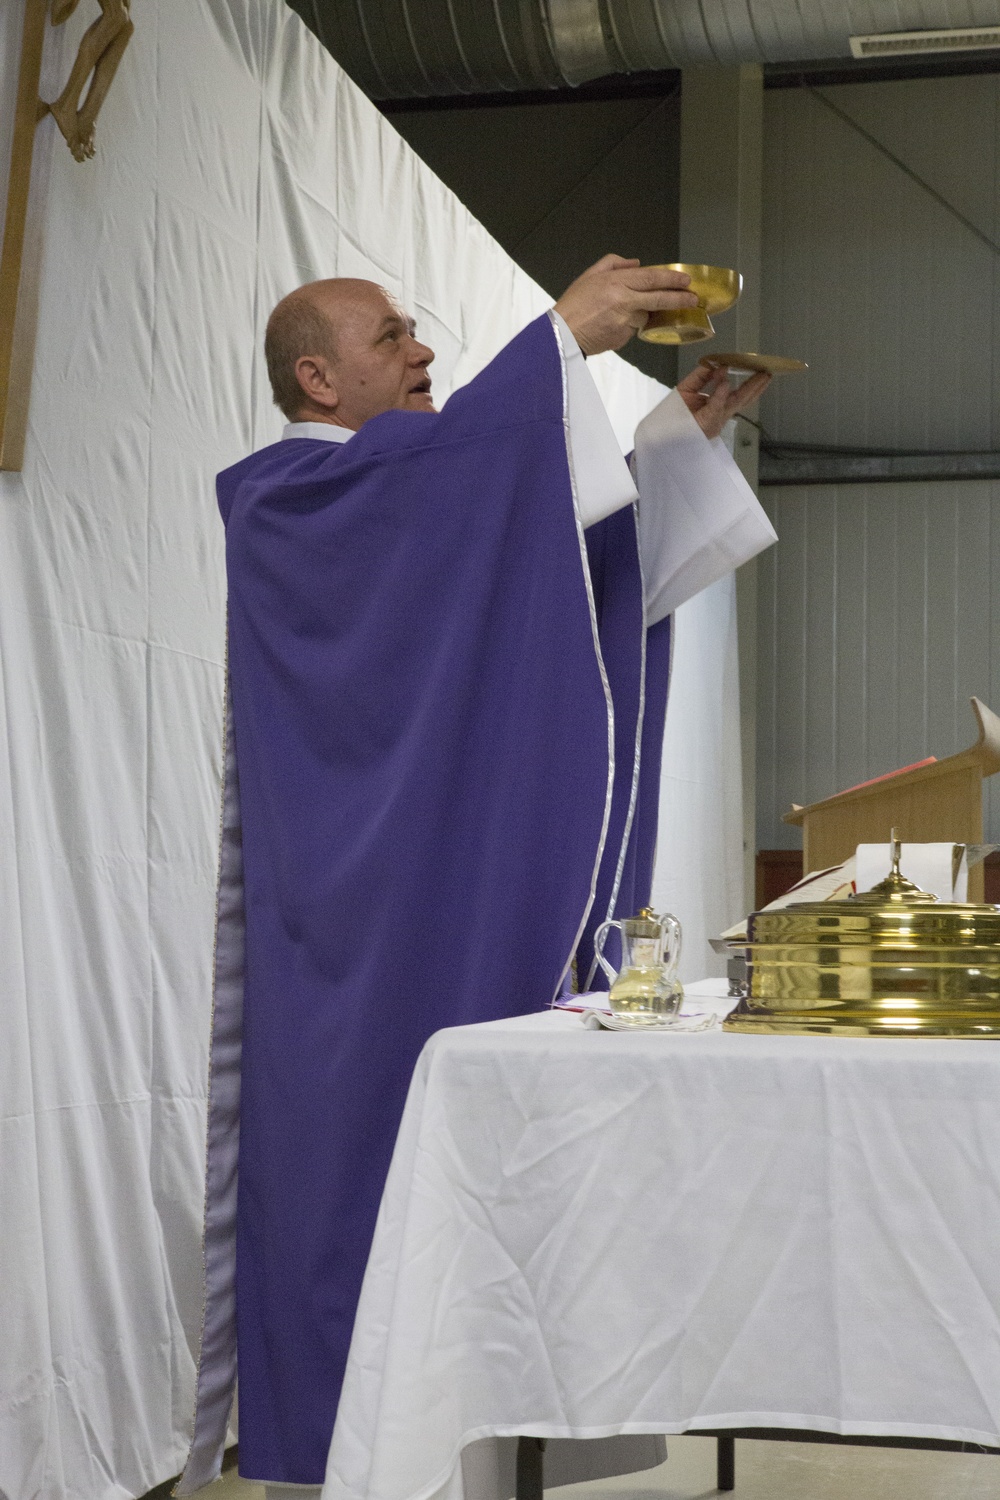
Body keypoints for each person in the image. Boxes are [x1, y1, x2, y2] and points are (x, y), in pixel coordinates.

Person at [177, 257, 775, 1496]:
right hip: (358, 937)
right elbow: (444, 501)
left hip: (441, 908)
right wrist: (559, 336)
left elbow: (545, 570)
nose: (425, 356)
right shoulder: (290, 496)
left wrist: (668, 442)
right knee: (362, 1200)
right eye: (395, 337)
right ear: (316, 375)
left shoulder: (411, 485)